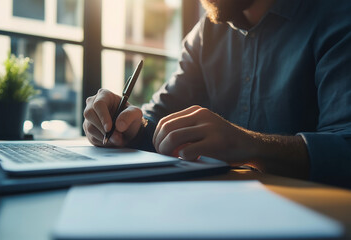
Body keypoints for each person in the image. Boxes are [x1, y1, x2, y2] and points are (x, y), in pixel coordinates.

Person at [83, 0, 351, 188]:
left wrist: (251, 146)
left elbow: (344, 149)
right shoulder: (206, 33)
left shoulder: (338, 17)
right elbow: (157, 118)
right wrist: (129, 126)